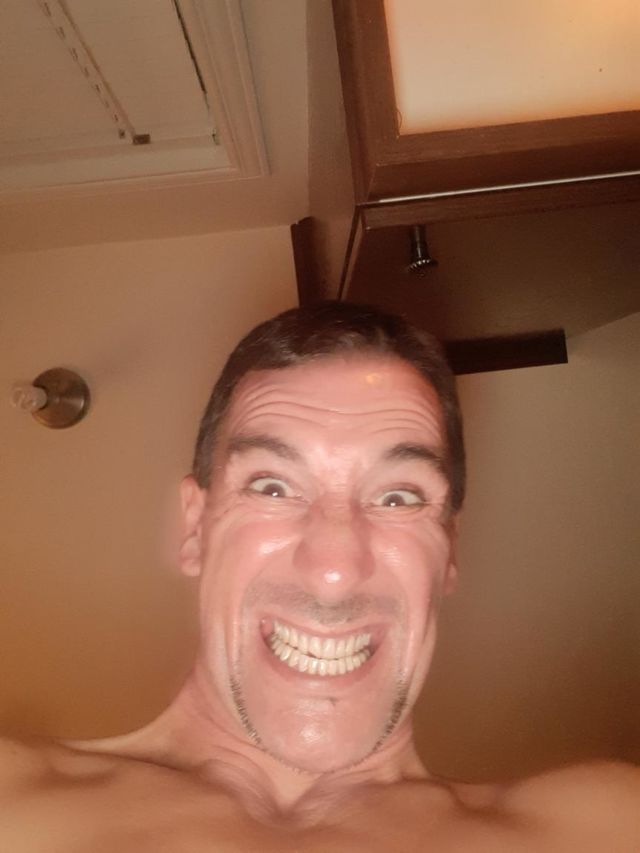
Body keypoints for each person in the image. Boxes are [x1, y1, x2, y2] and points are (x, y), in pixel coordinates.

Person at [1, 302, 638, 851]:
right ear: (195, 527)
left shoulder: (601, 826)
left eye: (398, 497)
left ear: (448, 550)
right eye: (272, 487)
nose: (334, 570)